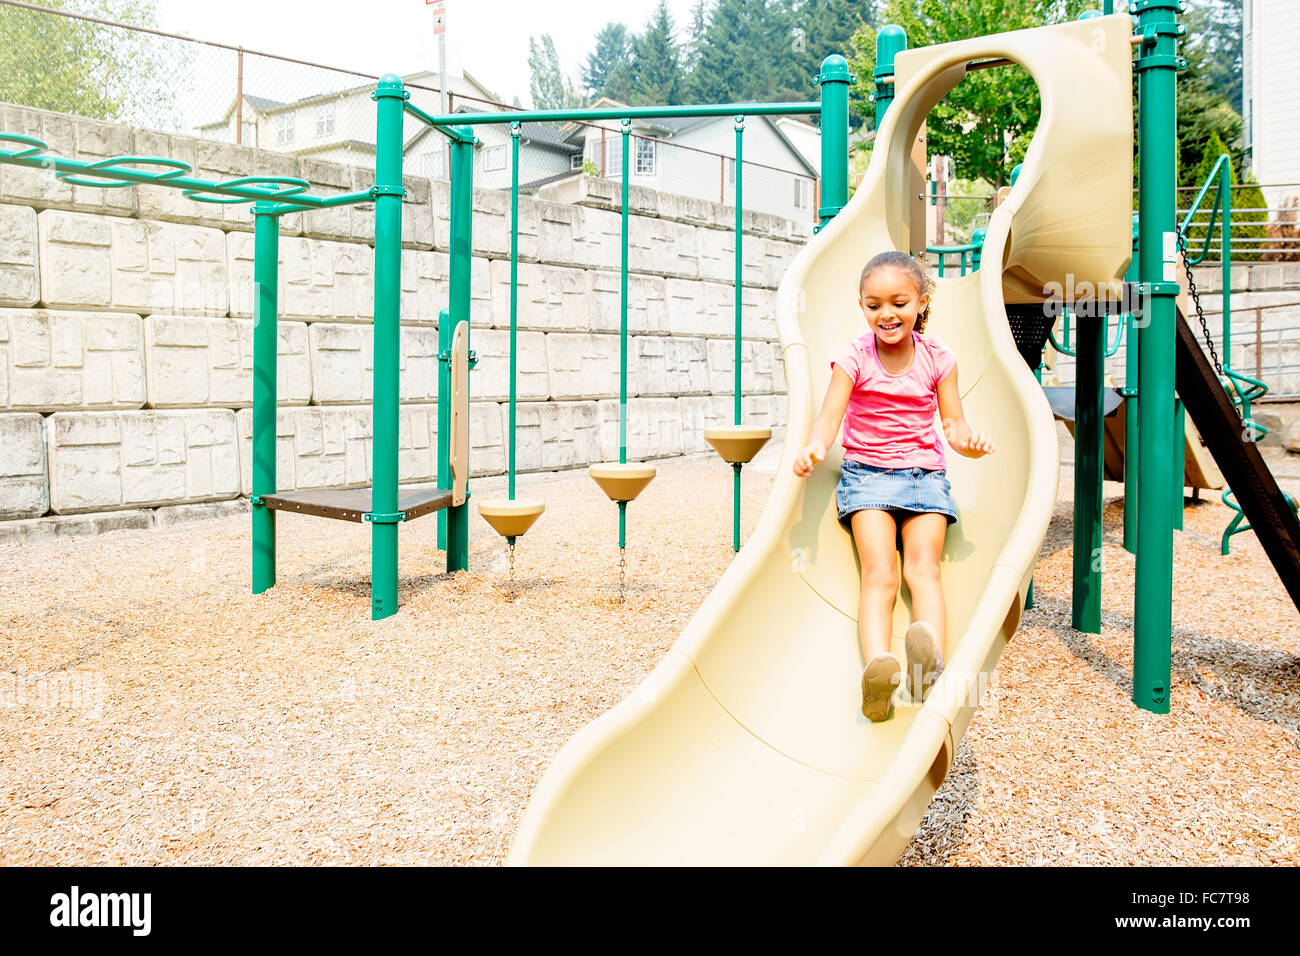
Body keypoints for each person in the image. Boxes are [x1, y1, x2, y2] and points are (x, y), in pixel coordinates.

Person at [792, 250, 995, 722]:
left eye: (899, 303)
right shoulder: (854, 357)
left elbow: (954, 425)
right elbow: (828, 417)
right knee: (880, 575)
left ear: (922, 302)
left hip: (925, 479)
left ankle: (928, 671)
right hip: (867, 480)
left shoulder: (939, 358)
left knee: (923, 570)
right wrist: (815, 448)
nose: (887, 314)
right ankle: (877, 672)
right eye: (874, 304)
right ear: (861, 306)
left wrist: (972, 444)